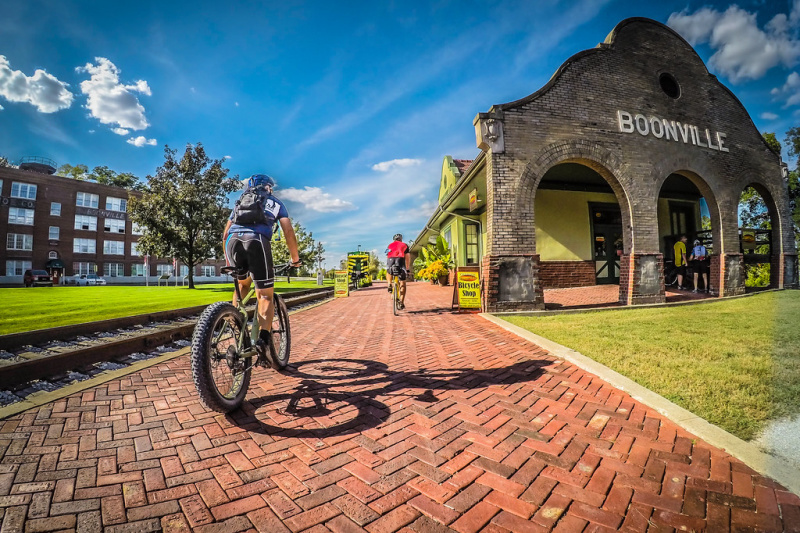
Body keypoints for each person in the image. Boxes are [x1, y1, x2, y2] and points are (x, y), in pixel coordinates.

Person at [223, 174, 302, 365]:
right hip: (257, 241)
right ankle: (262, 342)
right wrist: (295, 259)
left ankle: (236, 330)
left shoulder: (239, 202)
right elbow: (288, 231)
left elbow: (226, 233)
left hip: (232, 242)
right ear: (269, 188)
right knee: (265, 295)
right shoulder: (276, 203)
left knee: (242, 285)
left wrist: (228, 260)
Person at [386, 233, 410, 309]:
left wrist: (389, 265)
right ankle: (401, 303)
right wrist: (407, 268)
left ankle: (389, 284)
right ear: (401, 239)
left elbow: (387, 255)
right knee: (403, 282)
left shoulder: (389, 245)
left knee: (389, 271)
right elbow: (407, 257)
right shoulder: (404, 245)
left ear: (394, 240)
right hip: (400, 260)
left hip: (390, 260)